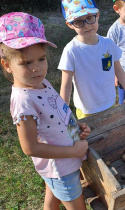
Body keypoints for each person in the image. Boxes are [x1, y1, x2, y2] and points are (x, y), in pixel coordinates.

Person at [0, 12, 91, 209]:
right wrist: (73, 150)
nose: (36, 69)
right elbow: (29, 147)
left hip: (61, 164)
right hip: (61, 168)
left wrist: (75, 127)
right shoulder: (23, 100)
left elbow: (56, 114)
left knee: (52, 197)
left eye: (41, 59)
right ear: (7, 65)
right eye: (26, 63)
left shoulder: (42, 83)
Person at [59, 0, 125, 119]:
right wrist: (62, 113)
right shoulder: (71, 51)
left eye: (90, 17)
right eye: (78, 21)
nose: (86, 25)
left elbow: (119, 70)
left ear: (97, 15)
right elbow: (66, 86)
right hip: (86, 110)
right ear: (69, 24)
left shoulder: (108, 44)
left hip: (109, 103)